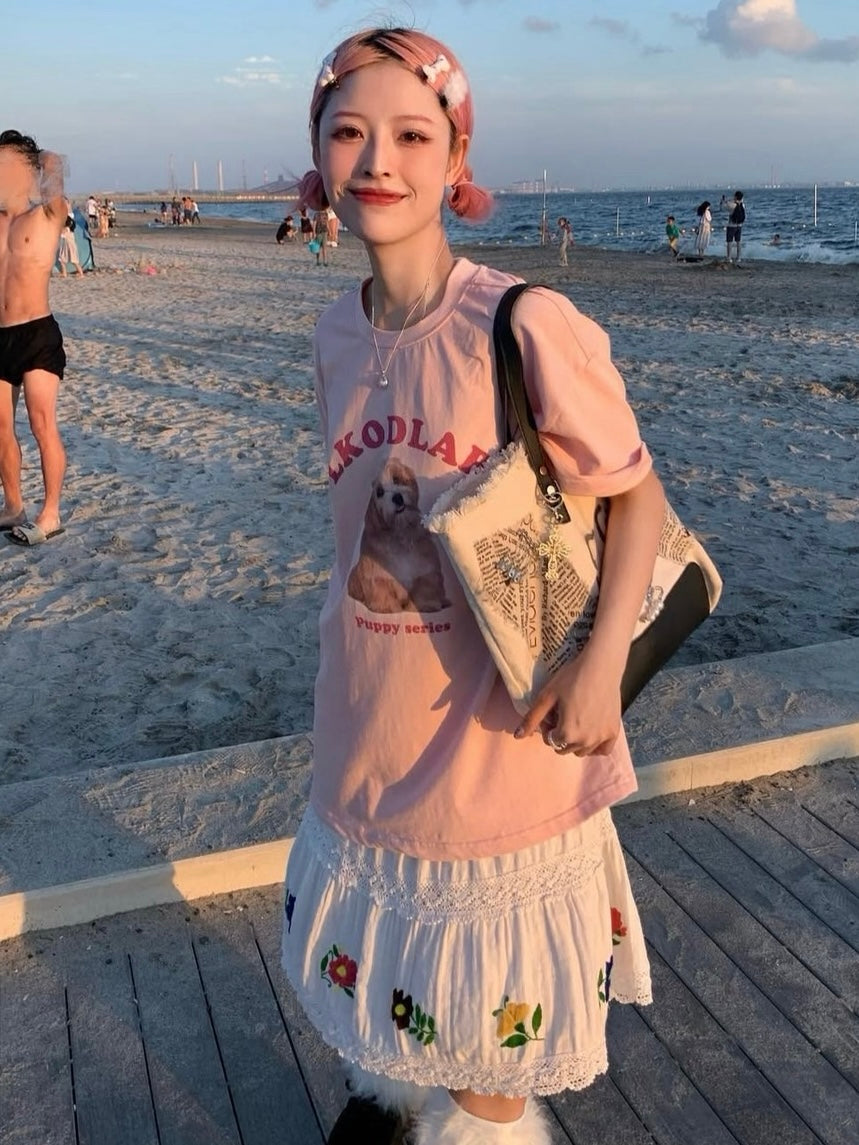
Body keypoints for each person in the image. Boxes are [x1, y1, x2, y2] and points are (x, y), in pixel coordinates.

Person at [281, 28, 664, 1145]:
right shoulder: (334, 332)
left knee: (492, 1051)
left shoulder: (520, 321)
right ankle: (399, 1104)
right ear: (317, 155)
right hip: (368, 723)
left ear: (456, 158)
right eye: (348, 132)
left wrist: (602, 666)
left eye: (412, 134)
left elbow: (637, 495)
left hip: (501, 745)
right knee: (393, 1001)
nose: (377, 160)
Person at [0, 130, 68, 543]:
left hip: (37, 334)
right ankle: (14, 506)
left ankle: (50, 513)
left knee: (41, 424)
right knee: (0, 428)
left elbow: (55, 167)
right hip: (0, 337)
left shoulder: (47, 214)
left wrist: (33, 159)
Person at [57, 202, 84, 278]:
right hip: (66, 245)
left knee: (74, 260)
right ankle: (64, 273)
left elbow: (61, 234)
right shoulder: (69, 229)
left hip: (70, 246)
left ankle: (81, 274)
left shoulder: (66, 229)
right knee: (62, 259)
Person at [726, 190, 745, 263]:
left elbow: (723, 207)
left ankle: (729, 257)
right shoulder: (743, 205)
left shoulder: (732, 205)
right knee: (738, 242)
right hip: (739, 225)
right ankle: (738, 257)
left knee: (729, 242)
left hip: (731, 225)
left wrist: (727, 200)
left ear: (735, 197)